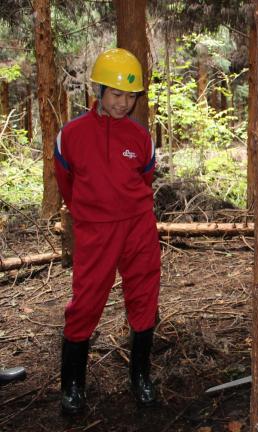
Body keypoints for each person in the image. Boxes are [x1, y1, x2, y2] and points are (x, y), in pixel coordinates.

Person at [54, 48, 160, 414]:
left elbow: (145, 178)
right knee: (85, 302)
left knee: (144, 297)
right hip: (95, 231)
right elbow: (65, 183)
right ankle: (71, 387)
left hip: (138, 227)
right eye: (117, 94)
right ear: (98, 91)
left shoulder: (140, 137)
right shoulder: (71, 135)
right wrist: (92, 212)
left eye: (131, 96)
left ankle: (141, 377)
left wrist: (126, 211)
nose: (123, 103)